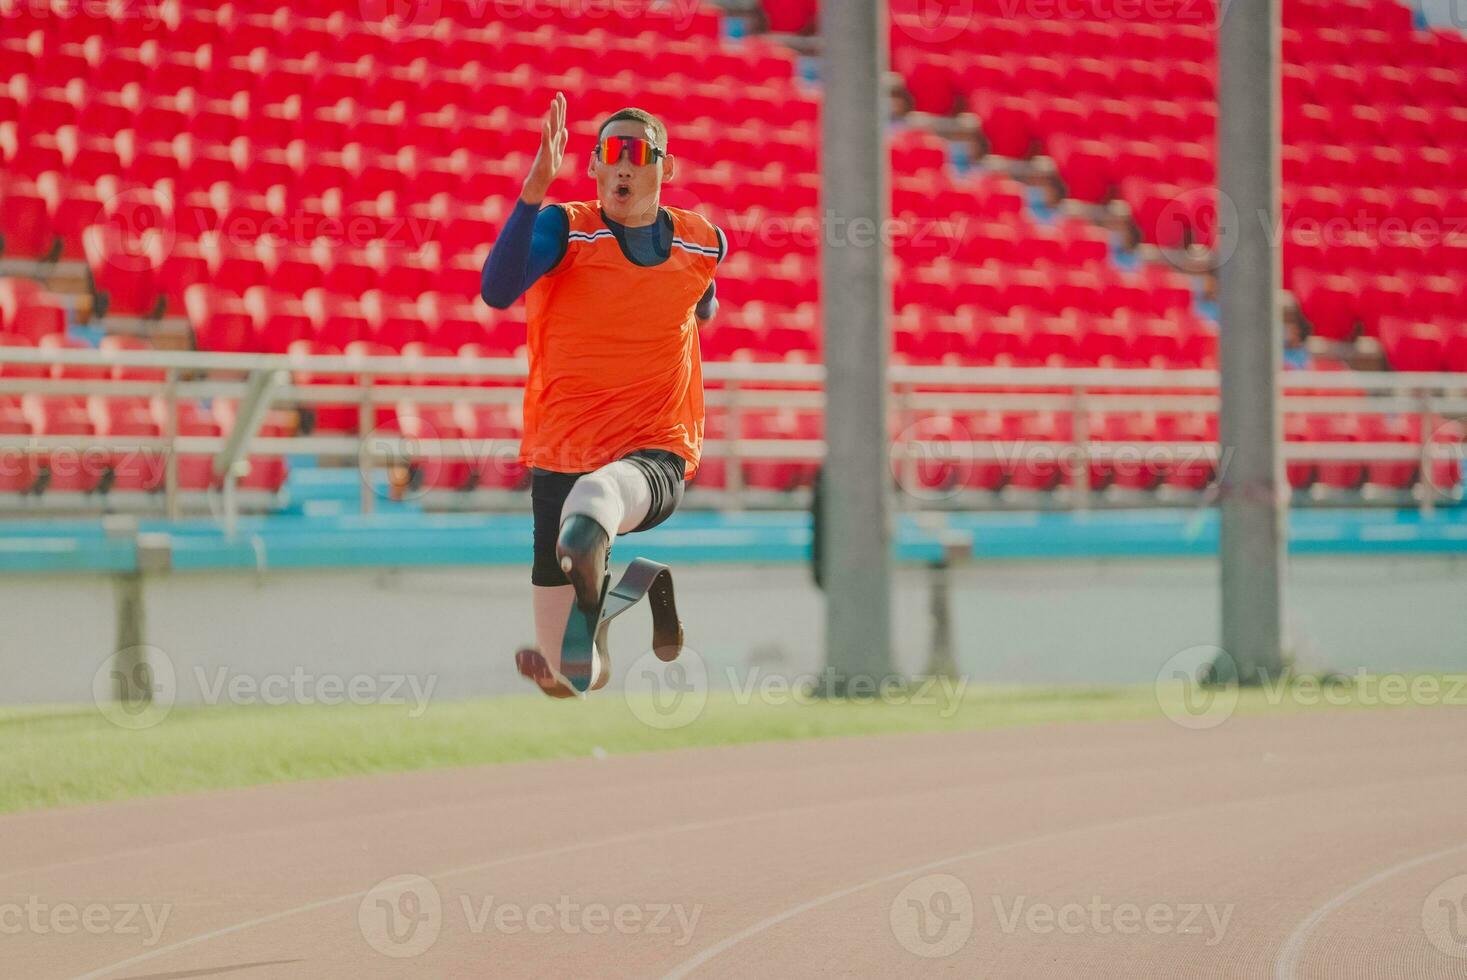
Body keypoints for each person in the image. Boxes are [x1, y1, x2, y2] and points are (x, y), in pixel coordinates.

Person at [481, 94, 726, 697]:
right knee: (571, 677)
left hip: (655, 449)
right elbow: (496, 290)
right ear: (591, 166)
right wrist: (532, 192)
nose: (623, 166)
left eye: (637, 153)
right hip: (562, 450)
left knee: (594, 504)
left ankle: (601, 566)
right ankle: (638, 587)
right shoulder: (564, 228)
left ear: (664, 169)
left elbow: (701, 301)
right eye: (610, 154)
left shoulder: (703, 245)